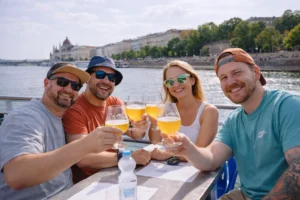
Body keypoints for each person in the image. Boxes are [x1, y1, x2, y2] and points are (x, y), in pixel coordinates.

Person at [164, 48, 300, 200]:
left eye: (237, 73)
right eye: (223, 77)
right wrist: (187, 148)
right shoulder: (233, 120)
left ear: (255, 72)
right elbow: (211, 159)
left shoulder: (288, 105)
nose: (230, 82)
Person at [0, 63, 123, 200]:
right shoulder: (25, 117)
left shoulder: (62, 117)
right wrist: (85, 145)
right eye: (62, 82)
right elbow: (17, 175)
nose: (69, 89)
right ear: (46, 83)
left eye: (75, 86)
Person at [62, 56, 152, 183]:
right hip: (89, 183)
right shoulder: (75, 110)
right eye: (100, 74)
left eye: (111, 78)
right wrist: (128, 158)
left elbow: (134, 134)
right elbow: (83, 159)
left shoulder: (115, 103)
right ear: (87, 79)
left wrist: (141, 128)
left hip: (115, 173)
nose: (106, 81)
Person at [148, 60, 219, 161]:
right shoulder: (166, 111)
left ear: (192, 80)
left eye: (181, 79)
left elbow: (199, 151)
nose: (175, 85)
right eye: (170, 82)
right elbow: (155, 142)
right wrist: (154, 123)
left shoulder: (209, 111)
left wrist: (167, 154)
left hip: (195, 172)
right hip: (169, 169)